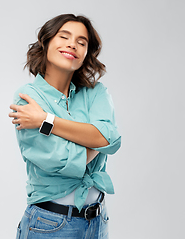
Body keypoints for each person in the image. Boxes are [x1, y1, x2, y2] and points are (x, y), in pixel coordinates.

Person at [9, 14, 121, 239]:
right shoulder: (28, 99)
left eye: (82, 42)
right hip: (51, 224)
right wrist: (93, 137)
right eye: (64, 36)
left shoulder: (95, 92)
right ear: (47, 42)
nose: (73, 44)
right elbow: (64, 159)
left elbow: (109, 138)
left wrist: (45, 120)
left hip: (98, 221)